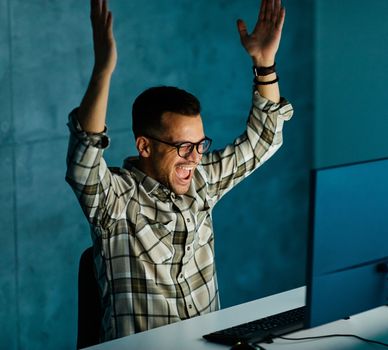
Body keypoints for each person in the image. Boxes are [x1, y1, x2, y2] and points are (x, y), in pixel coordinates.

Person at [66, 0, 293, 343]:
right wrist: (103, 70)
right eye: (183, 147)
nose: (195, 158)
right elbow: (85, 158)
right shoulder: (116, 202)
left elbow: (264, 138)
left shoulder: (202, 179)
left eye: (200, 144)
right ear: (145, 146)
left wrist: (264, 64)